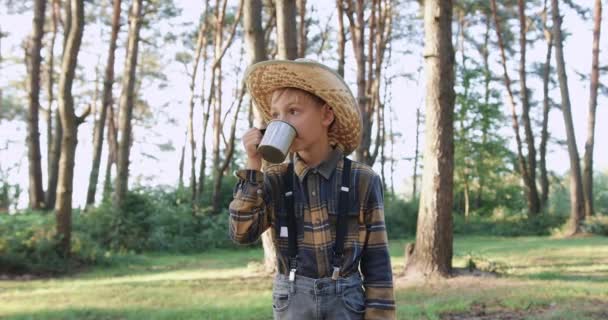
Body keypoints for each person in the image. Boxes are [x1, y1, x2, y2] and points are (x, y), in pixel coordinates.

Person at [229, 59, 395, 320]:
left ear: (326, 115)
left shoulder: (362, 179)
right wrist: (253, 165)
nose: (282, 122)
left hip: (346, 301)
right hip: (292, 300)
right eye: (275, 115)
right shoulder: (274, 179)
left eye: (293, 111)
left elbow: (378, 262)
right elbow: (241, 232)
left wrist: (380, 315)